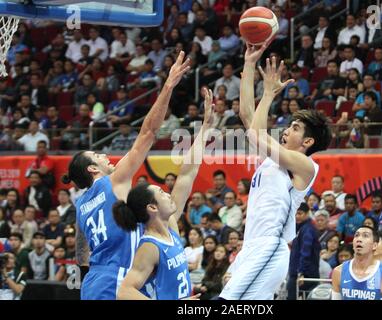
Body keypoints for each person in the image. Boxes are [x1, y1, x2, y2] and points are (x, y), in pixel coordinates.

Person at [62, 51, 191, 300]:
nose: (103, 156)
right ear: (92, 169)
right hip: (118, 282)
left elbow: (81, 250)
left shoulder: (80, 204)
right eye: (97, 155)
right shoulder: (114, 181)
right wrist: (167, 86)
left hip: (92, 283)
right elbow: (148, 132)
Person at [219, 42, 331, 300]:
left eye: (294, 128)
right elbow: (248, 117)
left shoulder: (306, 166)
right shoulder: (272, 158)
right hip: (251, 247)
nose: (287, 130)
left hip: (269, 248)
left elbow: (256, 134)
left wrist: (269, 93)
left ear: (307, 142)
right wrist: (248, 64)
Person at [113, 87, 213, 300]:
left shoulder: (170, 226)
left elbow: (187, 174)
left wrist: (205, 128)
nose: (168, 194)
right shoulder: (150, 246)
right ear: (152, 207)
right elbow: (124, 292)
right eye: (161, 192)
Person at [331, 226, 382, 300]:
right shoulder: (339, 271)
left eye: (365, 236)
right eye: (357, 235)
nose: (359, 239)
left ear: (374, 246)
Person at [287, 203, 320, 300]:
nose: (297, 216)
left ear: (307, 213)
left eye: (300, 213)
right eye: (295, 214)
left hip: (305, 274)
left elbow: (306, 253)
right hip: (298, 272)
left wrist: (301, 272)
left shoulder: (308, 230)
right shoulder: (300, 228)